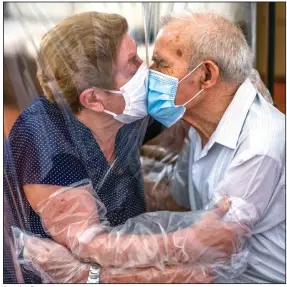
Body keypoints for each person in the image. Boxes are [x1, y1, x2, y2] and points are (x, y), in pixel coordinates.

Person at [5, 11, 239, 283]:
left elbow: (183, 111)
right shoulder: (44, 138)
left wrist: (231, 89)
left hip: (125, 264)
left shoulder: (123, 114)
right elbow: (89, 248)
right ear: (93, 98)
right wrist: (188, 242)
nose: (146, 69)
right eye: (132, 63)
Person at [147, 11, 285, 283]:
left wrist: (94, 265)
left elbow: (210, 251)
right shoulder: (199, 127)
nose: (149, 76)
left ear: (206, 75)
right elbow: (181, 200)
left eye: (161, 65)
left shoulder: (259, 145)